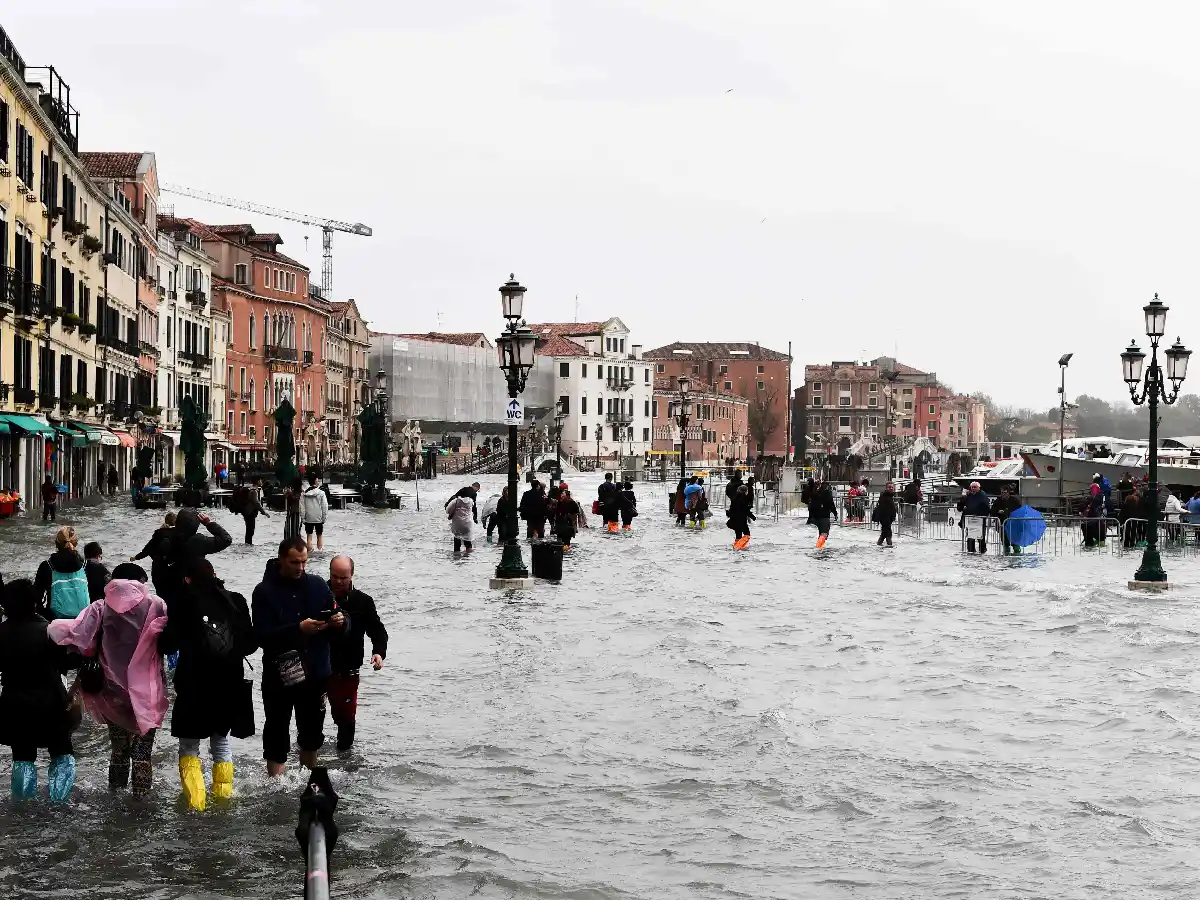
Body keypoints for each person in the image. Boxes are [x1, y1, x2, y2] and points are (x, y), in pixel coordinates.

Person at [49, 563, 170, 797]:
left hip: (111, 690)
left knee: (119, 749)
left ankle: (115, 798)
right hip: (148, 691)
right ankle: (141, 802)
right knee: (143, 752)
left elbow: (82, 640)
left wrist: (49, 627)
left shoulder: (100, 608)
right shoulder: (157, 605)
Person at [158, 558, 256, 810]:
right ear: (214, 574)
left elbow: (167, 645)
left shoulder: (181, 603)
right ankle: (223, 802)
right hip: (229, 683)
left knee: (189, 745)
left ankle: (196, 805)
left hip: (194, 684)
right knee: (221, 742)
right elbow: (251, 643)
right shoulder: (235, 600)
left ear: (188, 579)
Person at [252, 537, 348, 776]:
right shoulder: (264, 591)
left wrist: (341, 621)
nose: (300, 568)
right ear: (282, 559)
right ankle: (276, 790)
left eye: (304, 562)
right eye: (295, 562)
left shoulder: (317, 585)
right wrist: (298, 629)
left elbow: (339, 615)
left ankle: (310, 783)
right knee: (276, 735)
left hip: (315, 673)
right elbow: (261, 637)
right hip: (279, 676)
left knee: (312, 735)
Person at [0, 579, 76, 801]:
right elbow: (65, 663)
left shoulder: (0, 633)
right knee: (61, 752)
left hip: (14, 701)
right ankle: (59, 803)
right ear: (36, 602)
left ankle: (22, 805)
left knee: (22, 756)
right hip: (50, 702)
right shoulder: (48, 631)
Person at [327, 555, 387, 754]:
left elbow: (378, 631)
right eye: (334, 576)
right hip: (319, 666)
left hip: (348, 668)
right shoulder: (318, 595)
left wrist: (378, 653)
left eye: (343, 578)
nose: (338, 581)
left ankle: (345, 763)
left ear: (352, 575)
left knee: (345, 718)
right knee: (311, 719)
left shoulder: (363, 601)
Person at [158, 509, 233, 606]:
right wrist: (209, 524)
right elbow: (226, 539)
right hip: (196, 585)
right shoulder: (199, 541)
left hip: (171, 587)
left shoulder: (167, 538)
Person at [34, 526, 89, 620]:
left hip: (53, 620)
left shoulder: (47, 566)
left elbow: (37, 596)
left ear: (56, 544)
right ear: (76, 543)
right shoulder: (86, 566)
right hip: (82, 621)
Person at [131, 511, 176, 598]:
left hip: (158, 570)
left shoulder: (158, 534)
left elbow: (147, 550)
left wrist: (136, 557)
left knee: (161, 595)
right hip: (174, 569)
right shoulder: (180, 534)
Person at [957, 482, 991, 553]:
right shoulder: (968, 496)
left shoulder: (983, 496)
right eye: (972, 487)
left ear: (979, 488)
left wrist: (979, 514)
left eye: (975, 487)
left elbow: (987, 509)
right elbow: (960, 507)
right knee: (970, 538)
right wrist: (963, 507)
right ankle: (971, 551)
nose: (973, 489)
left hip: (980, 520)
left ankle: (982, 551)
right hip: (969, 521)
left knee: (980, 537)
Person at [302, 473, 329, 552]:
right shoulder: (321, 493)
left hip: (308, 518)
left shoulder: (304, 494)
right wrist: (324, 518)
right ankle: (320, 552)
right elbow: (325, 506)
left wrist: (303, 518)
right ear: (316, 481)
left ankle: (309, 552)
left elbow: (302, 507)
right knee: (319, 535)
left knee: (309, 536)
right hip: (319, 518)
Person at [991, 486, 1022, 555]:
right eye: (1001, 492)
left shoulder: (1015, 500)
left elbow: (1020, 510)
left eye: (1004, 492)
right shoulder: (998, 501)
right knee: (1005, 543)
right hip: (1002, 525)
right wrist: (998, 512)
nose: (1003, 494)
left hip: (1013, 526)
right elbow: (992, 511)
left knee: (1015, 543)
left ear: (1008, 492)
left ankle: (1017, 556)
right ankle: (1006, 554)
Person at [808, 479, 838, 548]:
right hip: (824, 516)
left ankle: (819, 545)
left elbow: (811, 504)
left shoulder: (815, 492)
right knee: (824, 533)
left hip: (816, 516)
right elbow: (831, 504)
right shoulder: (827, 493)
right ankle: (818, 546)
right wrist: (835, 513)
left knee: (821, 533)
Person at [240, 478, 269, 545]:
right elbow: (256, 503)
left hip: (248, 513)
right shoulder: (253, 491)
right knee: (250, 531)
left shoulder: (253, 489)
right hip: (250, 513)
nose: (261, 482)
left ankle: (248, 546)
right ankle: (248, 545)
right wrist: (264, 512)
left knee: (249, 531)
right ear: (258, 481)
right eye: (261, 480)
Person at [726, 484, 756, 549]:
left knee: (738, 535)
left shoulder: (735, 498)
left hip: (734, 519)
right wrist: (753, 517)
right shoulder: (744, 499)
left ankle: (737, 547)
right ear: (745, 491)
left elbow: (732, 509)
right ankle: (737, 547)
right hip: (741, 520)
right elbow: (746, 510)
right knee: (747, 534)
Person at [872, 482, 897, 547]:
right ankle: (889, 545)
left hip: (888, 518)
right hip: (885, 518)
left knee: (884, 532)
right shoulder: (884, 496)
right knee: (888, 532)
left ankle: (879, 543)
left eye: (892, 487)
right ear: (886, 488)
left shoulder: (890, 496)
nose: (891, 488)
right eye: (889, 487)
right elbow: (884, 509)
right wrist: (887, 518)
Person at [283, 476, 303, 542]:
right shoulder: (294, 491)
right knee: (289, 530)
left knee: (295, 530)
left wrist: (290, 494)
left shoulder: (300, 492)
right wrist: (287, 493)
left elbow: (296, 499)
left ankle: (294, 542)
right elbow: (287, 499)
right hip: (291, 513)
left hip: (296, 513)